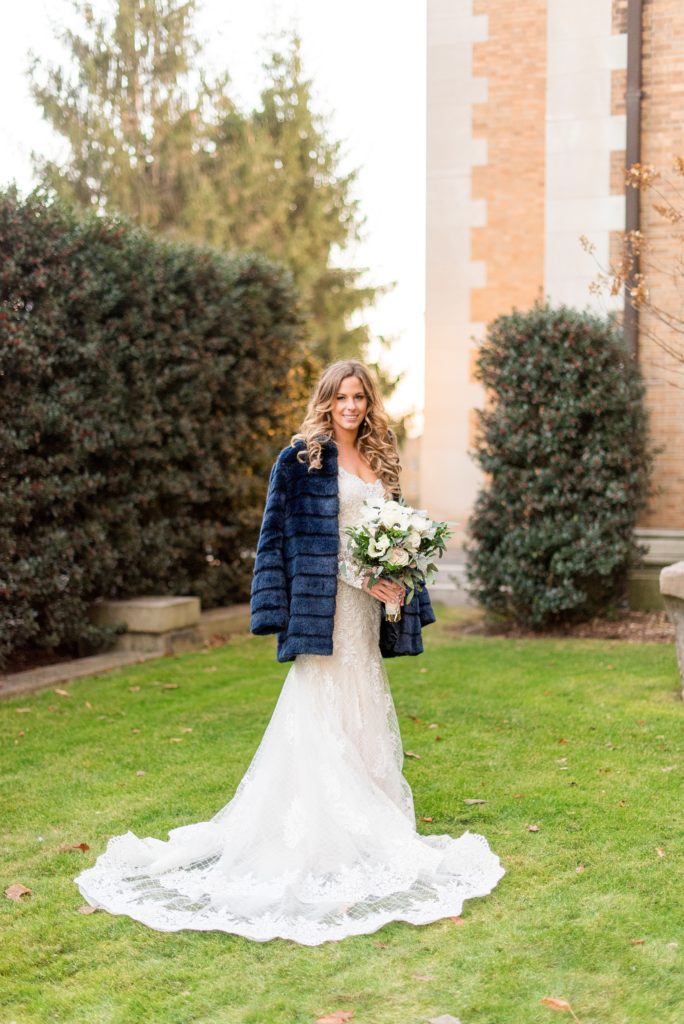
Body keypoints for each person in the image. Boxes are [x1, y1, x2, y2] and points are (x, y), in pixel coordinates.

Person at [74, 360, 505, 945]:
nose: (350, 406)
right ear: (325, 401)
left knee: (363, 697)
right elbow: (283, 538)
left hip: (365, 613)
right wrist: (356, 578)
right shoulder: (300, 459)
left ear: (369, 403)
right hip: (321, 608)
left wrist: (399, 574)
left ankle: (368, 821)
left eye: (359, 397)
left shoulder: (381, 460)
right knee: (319, 703)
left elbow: (395, 527)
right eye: (340, 397)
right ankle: (315, 832)